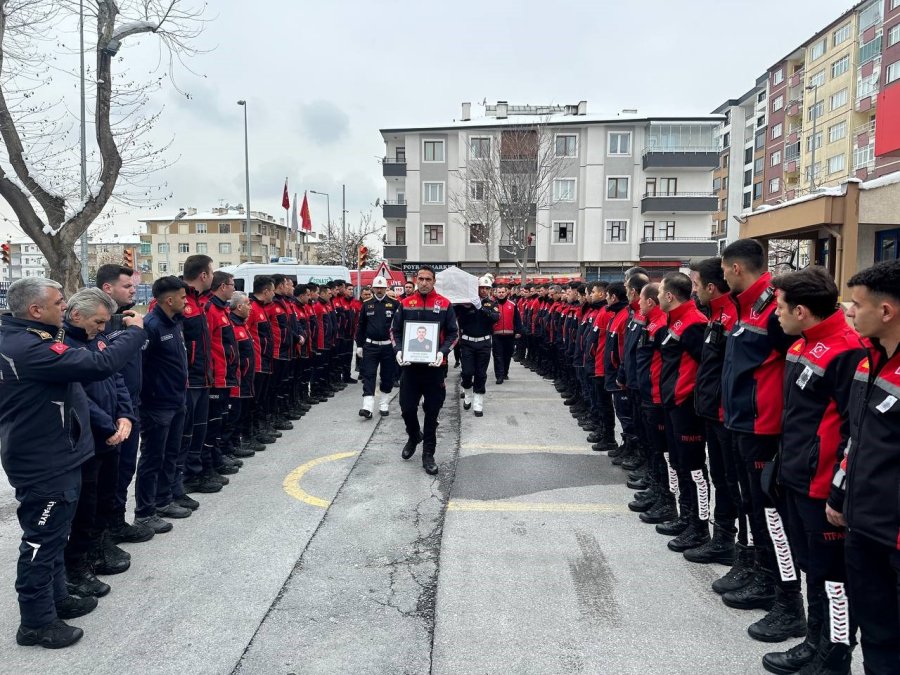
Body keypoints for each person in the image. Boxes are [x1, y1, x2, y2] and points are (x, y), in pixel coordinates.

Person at [0, 277, 144, 649]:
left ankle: (58, 596)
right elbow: (101, 364)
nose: (65, 307)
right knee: (41, 541)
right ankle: (36, 622)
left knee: (56, 534)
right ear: (35, 310)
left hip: (60, 453)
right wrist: (134, 331)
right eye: (59, 302)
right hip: (44, 461)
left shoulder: (34, 338)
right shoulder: (29, 347)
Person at [760, 267, 864, 674]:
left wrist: (835, 489)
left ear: (801, 311)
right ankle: (813, 642)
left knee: (833, 578)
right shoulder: (801, 344)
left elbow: (852, 430)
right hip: (795, 475)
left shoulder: (847, 350)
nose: (775, 315)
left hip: (822, 486)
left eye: (781, 308)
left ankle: (835, 656)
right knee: (813, 570)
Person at [720, 239, 803, 643]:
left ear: (736, 269)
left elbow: (795, 370)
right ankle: (758, 570)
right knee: (752, 506)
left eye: (723, 270)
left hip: (763, 427)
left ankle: (787, 598)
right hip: (740, 422)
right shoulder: (746, 305)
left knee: (771, 515)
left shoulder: (775, 308)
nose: (720, 278)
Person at [837, 260, 900, 673]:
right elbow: (855, 438)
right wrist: (839, 493)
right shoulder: (867, 359)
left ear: (887, 311)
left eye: (857, 305)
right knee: (876, 634)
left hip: (894, 532)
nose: (850, 313)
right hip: (863, 524)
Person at [62, 289, 136, 599]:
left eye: (106, 322)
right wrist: (108, 425)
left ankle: (101, 545)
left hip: (112, 434)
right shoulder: (65, 347)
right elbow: (78, 397)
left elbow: (116, 379)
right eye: (99, 322)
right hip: (88, 439)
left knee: (107, 496)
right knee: (85, 506)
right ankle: (78, 564)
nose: (103, 328)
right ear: (77, 316)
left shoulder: (98, 340)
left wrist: (125, 416)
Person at [685, 258, 742, 569]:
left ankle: (728, 543)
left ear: (710, 286)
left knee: (732, 484)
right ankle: (720, 538)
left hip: (727, 415)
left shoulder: (732, 316)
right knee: (721, 478)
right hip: (711, 411)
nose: (694, 291)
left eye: (695, 285)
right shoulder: (715, 314)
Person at [96, 265, 153, 545]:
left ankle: (117, 522)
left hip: (130, 406)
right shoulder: (99, 323)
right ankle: (102, 534)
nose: (133, 290)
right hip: (108, 414)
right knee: (109, 476)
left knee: (126, 468)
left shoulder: (129, 319)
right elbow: (106, 367)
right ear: (108, 288)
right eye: (127, 286)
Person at [657, 272, 710, 553]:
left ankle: (700, 526)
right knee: (678, 463)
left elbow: (707, 366)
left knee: (694, 469)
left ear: (669, 295)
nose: (656, 297)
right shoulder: (675, 320)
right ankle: (686, 517)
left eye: (661, 291)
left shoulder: (693, 323)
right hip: (673, 403)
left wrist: (688, 395)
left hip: (686, 405)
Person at [134, 276, 192, 535]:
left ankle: (164, 500)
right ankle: (145, 514)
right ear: (169, 300)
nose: (186, 301)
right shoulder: (152, 326)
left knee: (171, 453)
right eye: (182, 297)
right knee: (152, 458)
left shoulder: (175, 322)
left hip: (177, 400)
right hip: (157, 406)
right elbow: (140, 369)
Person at [390, 266, 459, 475]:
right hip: (410, 367)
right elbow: (395, 330)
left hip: (435, 368)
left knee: (432, 413)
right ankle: (413, 435)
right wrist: (398, 351)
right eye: (420, 278)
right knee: (406, 408)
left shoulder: (445, 305)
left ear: (434, 281)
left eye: (428, 279)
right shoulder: (405, 304)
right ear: (415, 280)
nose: (424, 282)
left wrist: (442, 352)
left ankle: (428, 454)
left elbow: (454, 333)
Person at [179, 255, 220, 495]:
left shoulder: (200, 302)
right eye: (211, 272)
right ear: (203, 275)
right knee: (186, 432)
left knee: (199, 430)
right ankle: (183, 478)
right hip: (189, 380)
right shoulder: (178, 300)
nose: (213, 276)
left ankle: (196, 473)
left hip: (203, 378)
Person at [204, 271, 239, 478]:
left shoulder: (221, 309)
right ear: (223, 286)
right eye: (232, 285)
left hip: (226, 373)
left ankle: (217, 456)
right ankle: (210, 462)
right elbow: (207, 344)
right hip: (215, 375)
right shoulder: (210, 309)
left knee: (221, 418)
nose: (234, 288)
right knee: (213, 421)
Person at [456, 276, 500, 417]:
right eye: (482, 288)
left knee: (481, 374)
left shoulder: (491, 304)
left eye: (487, 288)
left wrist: (481, 308)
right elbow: (453, 312)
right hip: (468, 342)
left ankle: (478, 402)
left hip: (484, 343)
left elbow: (495, 318)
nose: (484, 291)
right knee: (467, 372)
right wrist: (465, 304)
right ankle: (467, 393)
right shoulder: (465, 304)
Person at [355, 276, 398, 419]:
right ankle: (367, 407)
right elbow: (361, 326)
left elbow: (399, 327)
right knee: (368, 375)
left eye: (382, 288)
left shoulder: (394, 304)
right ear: (373, 288)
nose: (379, 290)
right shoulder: (366, 304)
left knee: (387, 376)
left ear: (386, 288)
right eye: (377, 287)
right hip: (370, 346)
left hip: (388, 347)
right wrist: (359, 345)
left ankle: (384, 403)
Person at [491, 283, 522, 384]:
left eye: (502, 292)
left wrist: (518, 331)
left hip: (510, 335)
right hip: (496, 335)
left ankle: (505, 372)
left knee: (507, 355)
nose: (501, 294)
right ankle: (499, 376)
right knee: (498, 356)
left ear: (506, 292)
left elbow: (517, 319)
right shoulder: (492, 305)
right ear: (496, 293)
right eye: (499, 292)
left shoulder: (512, 305)